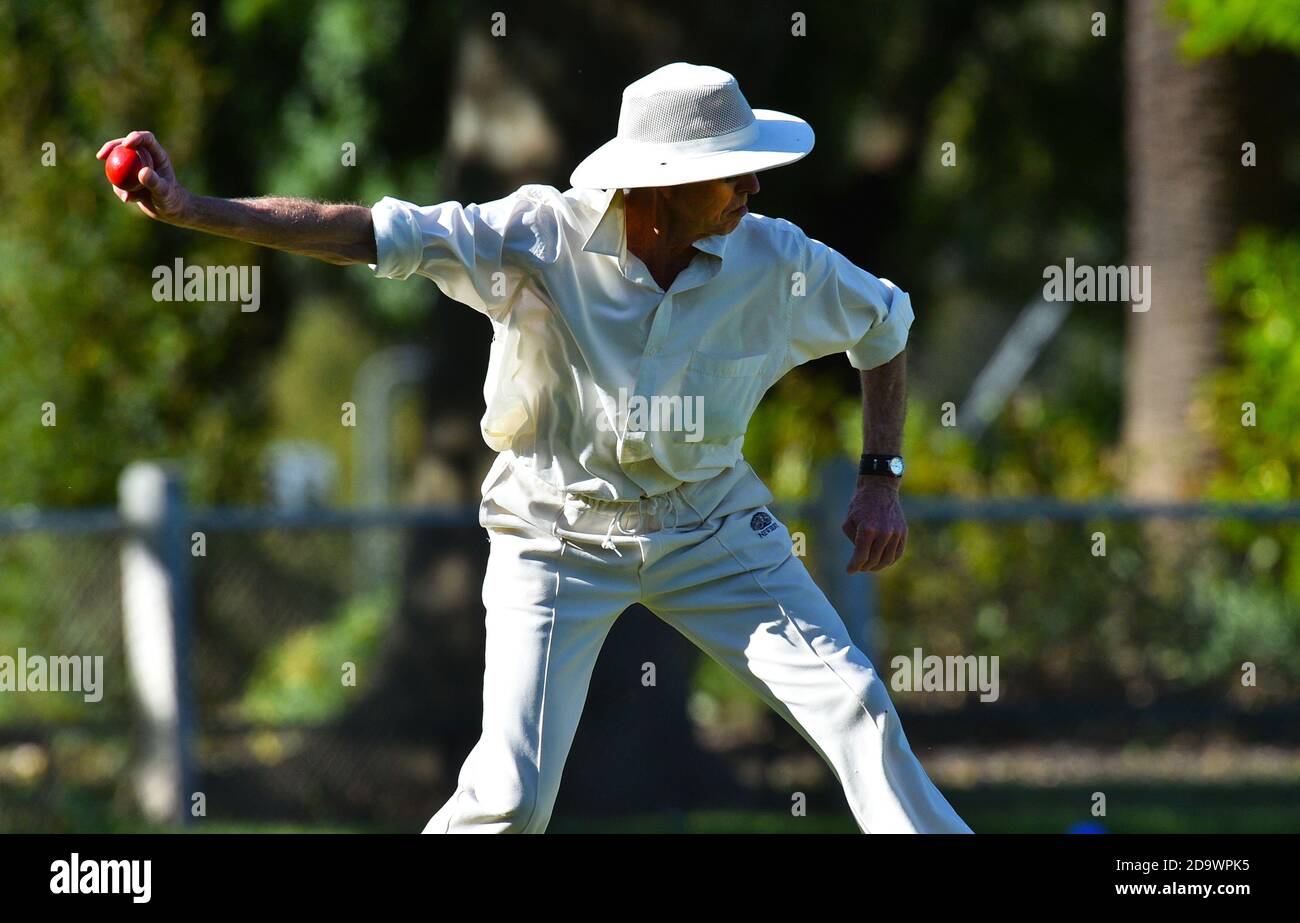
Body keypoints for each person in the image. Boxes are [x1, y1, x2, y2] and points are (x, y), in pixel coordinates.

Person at [98, 62, 972, 834]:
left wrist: (881, 475)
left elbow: (885, 328)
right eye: (732, 174)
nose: (753, 190)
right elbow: (363, 230)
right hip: (554, 534)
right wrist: (190, 209)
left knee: (857, 704)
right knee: (511, 798)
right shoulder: (534, 237)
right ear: (662, 185)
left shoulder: (778, 260)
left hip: (712, 527)